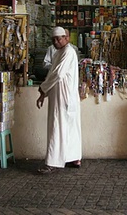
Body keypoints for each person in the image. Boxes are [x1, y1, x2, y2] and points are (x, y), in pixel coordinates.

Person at [36, 27, 82, 174]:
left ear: (66, 38)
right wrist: (45, 91)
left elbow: (58, 74)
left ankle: (51, 162)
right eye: (54, 39)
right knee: (68, 128)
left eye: (59, 38)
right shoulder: (59, 53)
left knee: (57, 127)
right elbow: (52, 74)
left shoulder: (68, 52)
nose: (56, 41)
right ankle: (73, 157)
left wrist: (43, 89)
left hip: (63, 97)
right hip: (63, 96)